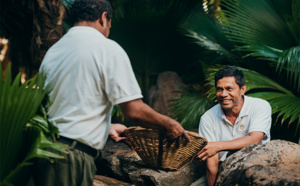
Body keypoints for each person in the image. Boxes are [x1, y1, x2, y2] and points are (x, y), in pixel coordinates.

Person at [32, 0, 190, 185]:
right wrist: (169, 124)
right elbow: (134, 111)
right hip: (71, 157)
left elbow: (63, 107)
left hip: (44, 152)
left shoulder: (54, 51)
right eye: (110, 25)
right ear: (104, 17)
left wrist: (106, 127)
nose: (109, 30)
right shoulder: (106, 48)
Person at [192, 66, 271, 186]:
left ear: (242, 89)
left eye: (229, 88)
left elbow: (255, 139)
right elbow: (211, 162)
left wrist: (218, 146)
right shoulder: (207, 118)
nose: (223, 94)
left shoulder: (259, 106)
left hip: (257, 166)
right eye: (219, 89)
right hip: (224, 170)